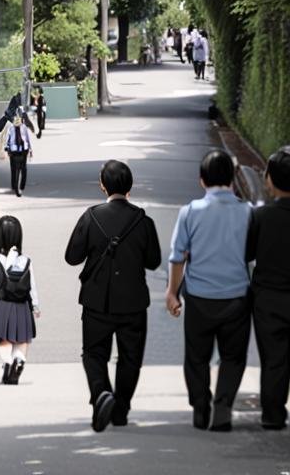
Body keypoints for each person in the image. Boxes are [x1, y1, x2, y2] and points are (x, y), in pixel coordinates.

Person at [65, 159, 161, 432]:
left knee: (94, 354)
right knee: (131, 357)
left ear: (102, 185)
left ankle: (101, 393)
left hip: (97, 301)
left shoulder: (91, 216)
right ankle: (120, 411)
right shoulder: (143, 220)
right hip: (133, 301)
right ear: (130, 186)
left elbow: (72, 257)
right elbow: (154, 260)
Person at [166, 149, 252, 432]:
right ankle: (224, 407)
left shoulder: (189, 212)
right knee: (233, 357)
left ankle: (200, 406)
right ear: (232, 178)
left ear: (202, 180)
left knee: (196, 356)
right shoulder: (248, 213)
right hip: (237, 297)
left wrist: (172, 293)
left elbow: (178, 257)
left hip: (200, 298)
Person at [246, 146, 290, 430]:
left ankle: (272, 414)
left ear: (270, 179)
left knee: (273, 357)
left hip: (269, 298)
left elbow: (246, 253)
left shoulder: (261, 217)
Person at [0, 214, 40, 385]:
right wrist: (35, 305)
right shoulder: (26, 261)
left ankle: (7, 362)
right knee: (21, 339)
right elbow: (31, 285)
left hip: (1, 304)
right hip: (22, 306)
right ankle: (19, 359)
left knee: (4, 339)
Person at [5, 113, 33, 196]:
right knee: (13, 169)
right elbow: (8, 139)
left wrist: (30, 149)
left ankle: (22, 185)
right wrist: (6, 147)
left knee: (23, 168)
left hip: (23, 149)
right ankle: (14, 186)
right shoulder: (10, 128)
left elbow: (27, 139)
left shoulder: (24, 128)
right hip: (13, 150)